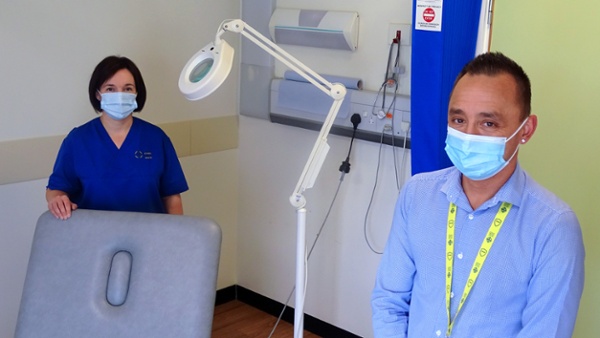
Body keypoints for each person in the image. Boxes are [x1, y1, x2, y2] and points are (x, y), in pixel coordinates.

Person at [371, 52, 585, 337]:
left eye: (488, 123)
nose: (468, 136)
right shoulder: (417, 194)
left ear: (526, 130)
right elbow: (389, 301)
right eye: (458, 120)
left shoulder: (553, 227)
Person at [46, 56, 189, 219]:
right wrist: (57, 199)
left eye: (127, 89)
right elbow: (55, 189)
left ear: (136, 93)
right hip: (94, 237)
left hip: (149, 237)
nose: (120, 95)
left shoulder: (156, 138)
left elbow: (172, 197)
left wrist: (176, 238)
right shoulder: (78, 140)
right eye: (110, 89)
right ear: (98, 94)